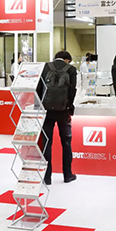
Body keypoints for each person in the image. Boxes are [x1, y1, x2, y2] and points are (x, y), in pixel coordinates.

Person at [38, 51, 77, 185]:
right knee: (66, 143)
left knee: (46, 143)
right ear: (67, 60)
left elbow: (39, 88)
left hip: (47, 110)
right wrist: (68, 105)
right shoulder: (71, 70)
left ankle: (47, 177)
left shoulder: (45, 67)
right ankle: (68, 174)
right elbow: (72, 91)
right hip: (63, 112)